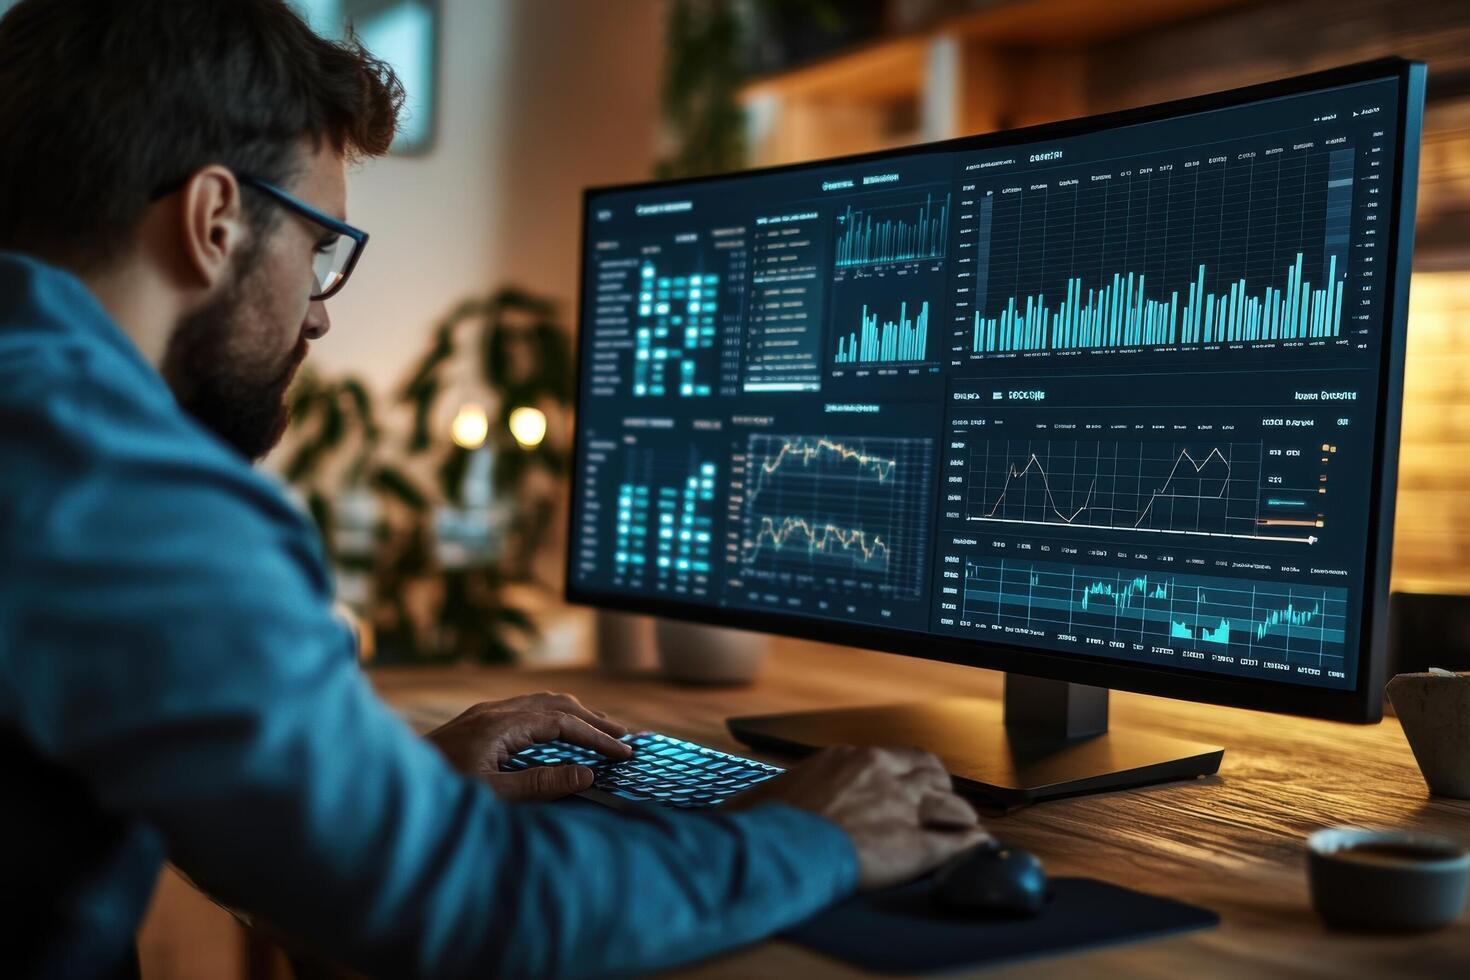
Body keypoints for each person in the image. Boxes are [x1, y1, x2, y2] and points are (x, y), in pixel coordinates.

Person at [0, 1, 988, 977]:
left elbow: (237, 815)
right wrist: (809, 835)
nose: (317, 317)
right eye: (319, 249)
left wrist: (390, 796)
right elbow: (463, 908)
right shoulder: (111, 481)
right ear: (213, 220)